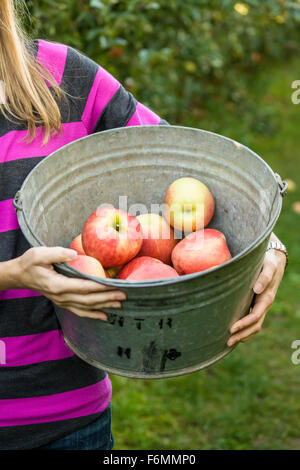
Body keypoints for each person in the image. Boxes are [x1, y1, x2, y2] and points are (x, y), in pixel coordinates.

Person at [0, 0, 288, 450]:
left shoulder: (63, 77)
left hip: (70, 415)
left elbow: (186, 168)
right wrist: (12, 275)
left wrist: (270, 249)